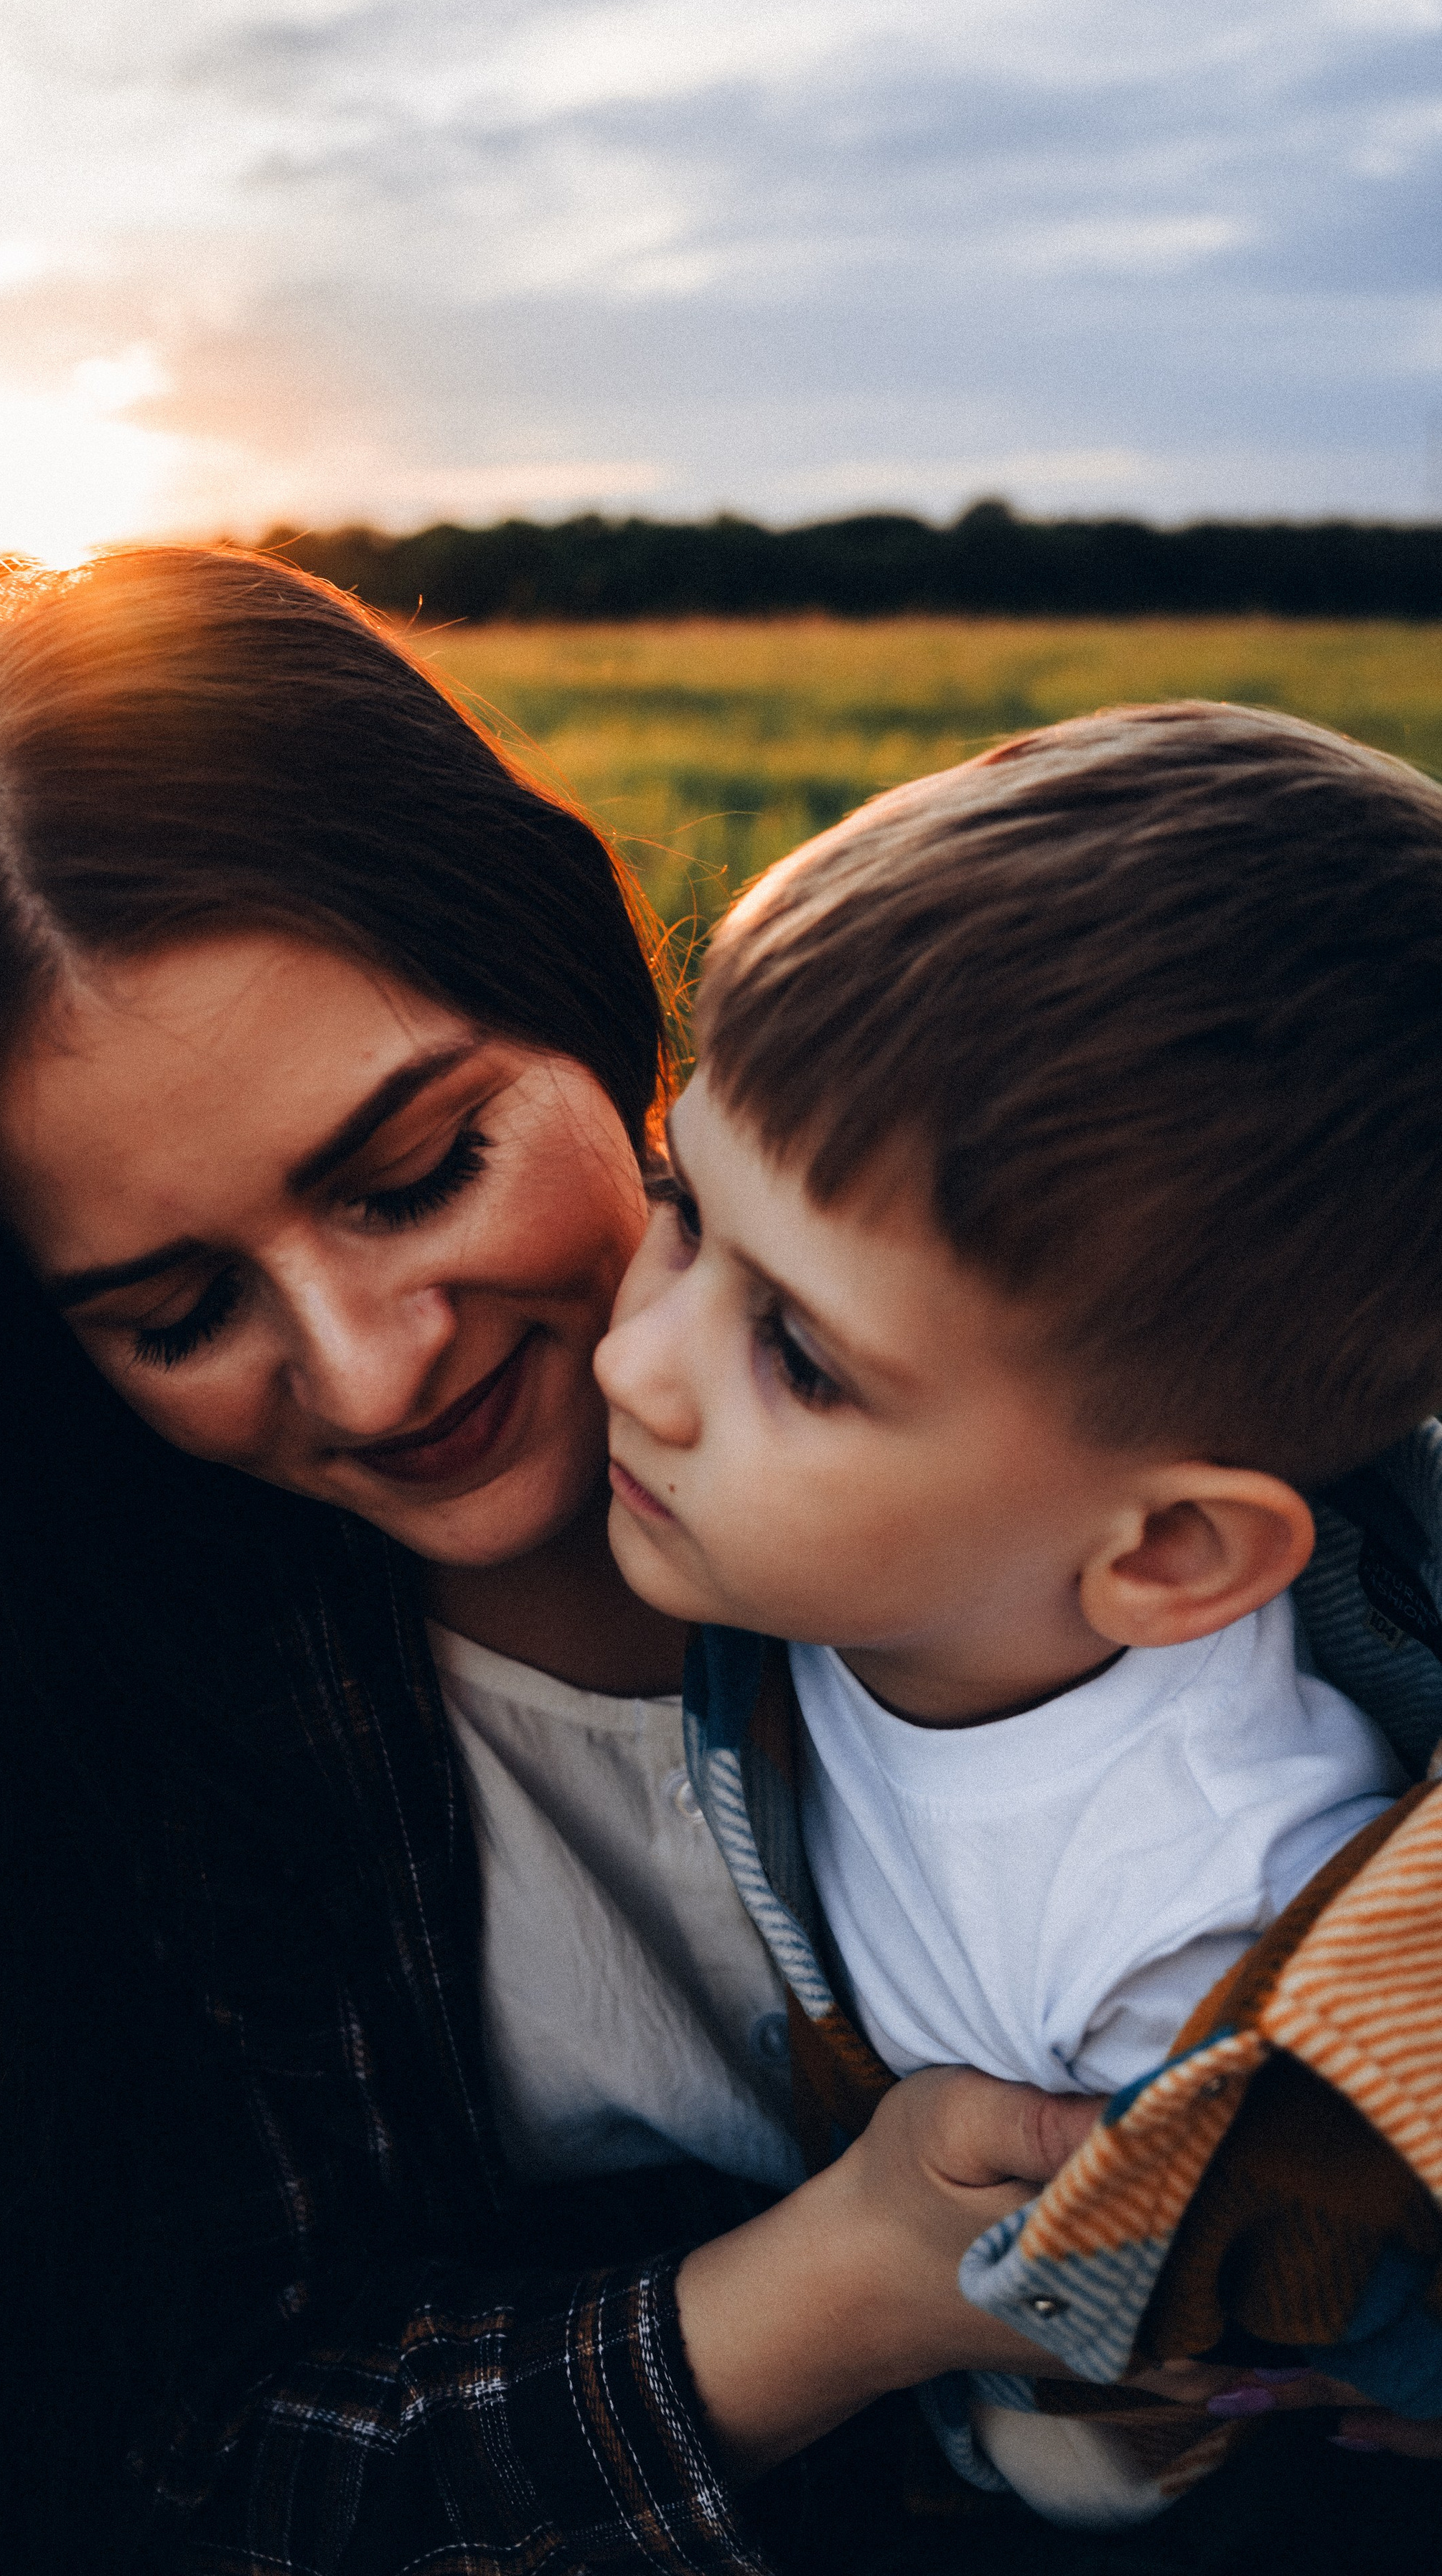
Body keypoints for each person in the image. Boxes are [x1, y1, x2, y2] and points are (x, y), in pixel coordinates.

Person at [0, 546, 1096, 2576]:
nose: (373, 1374)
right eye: (179, 1314)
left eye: (414, 1170)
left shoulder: (1048, 1346)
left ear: (574, 971)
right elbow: (164, 2477)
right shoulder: (143, 1719)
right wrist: (851, 2288)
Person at [596, 704, 1442, 2538]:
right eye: (678, 1210)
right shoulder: (855, 1579)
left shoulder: (1209, 1941)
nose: (630, 1364)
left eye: (797, 1358)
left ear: (1170, 1557)